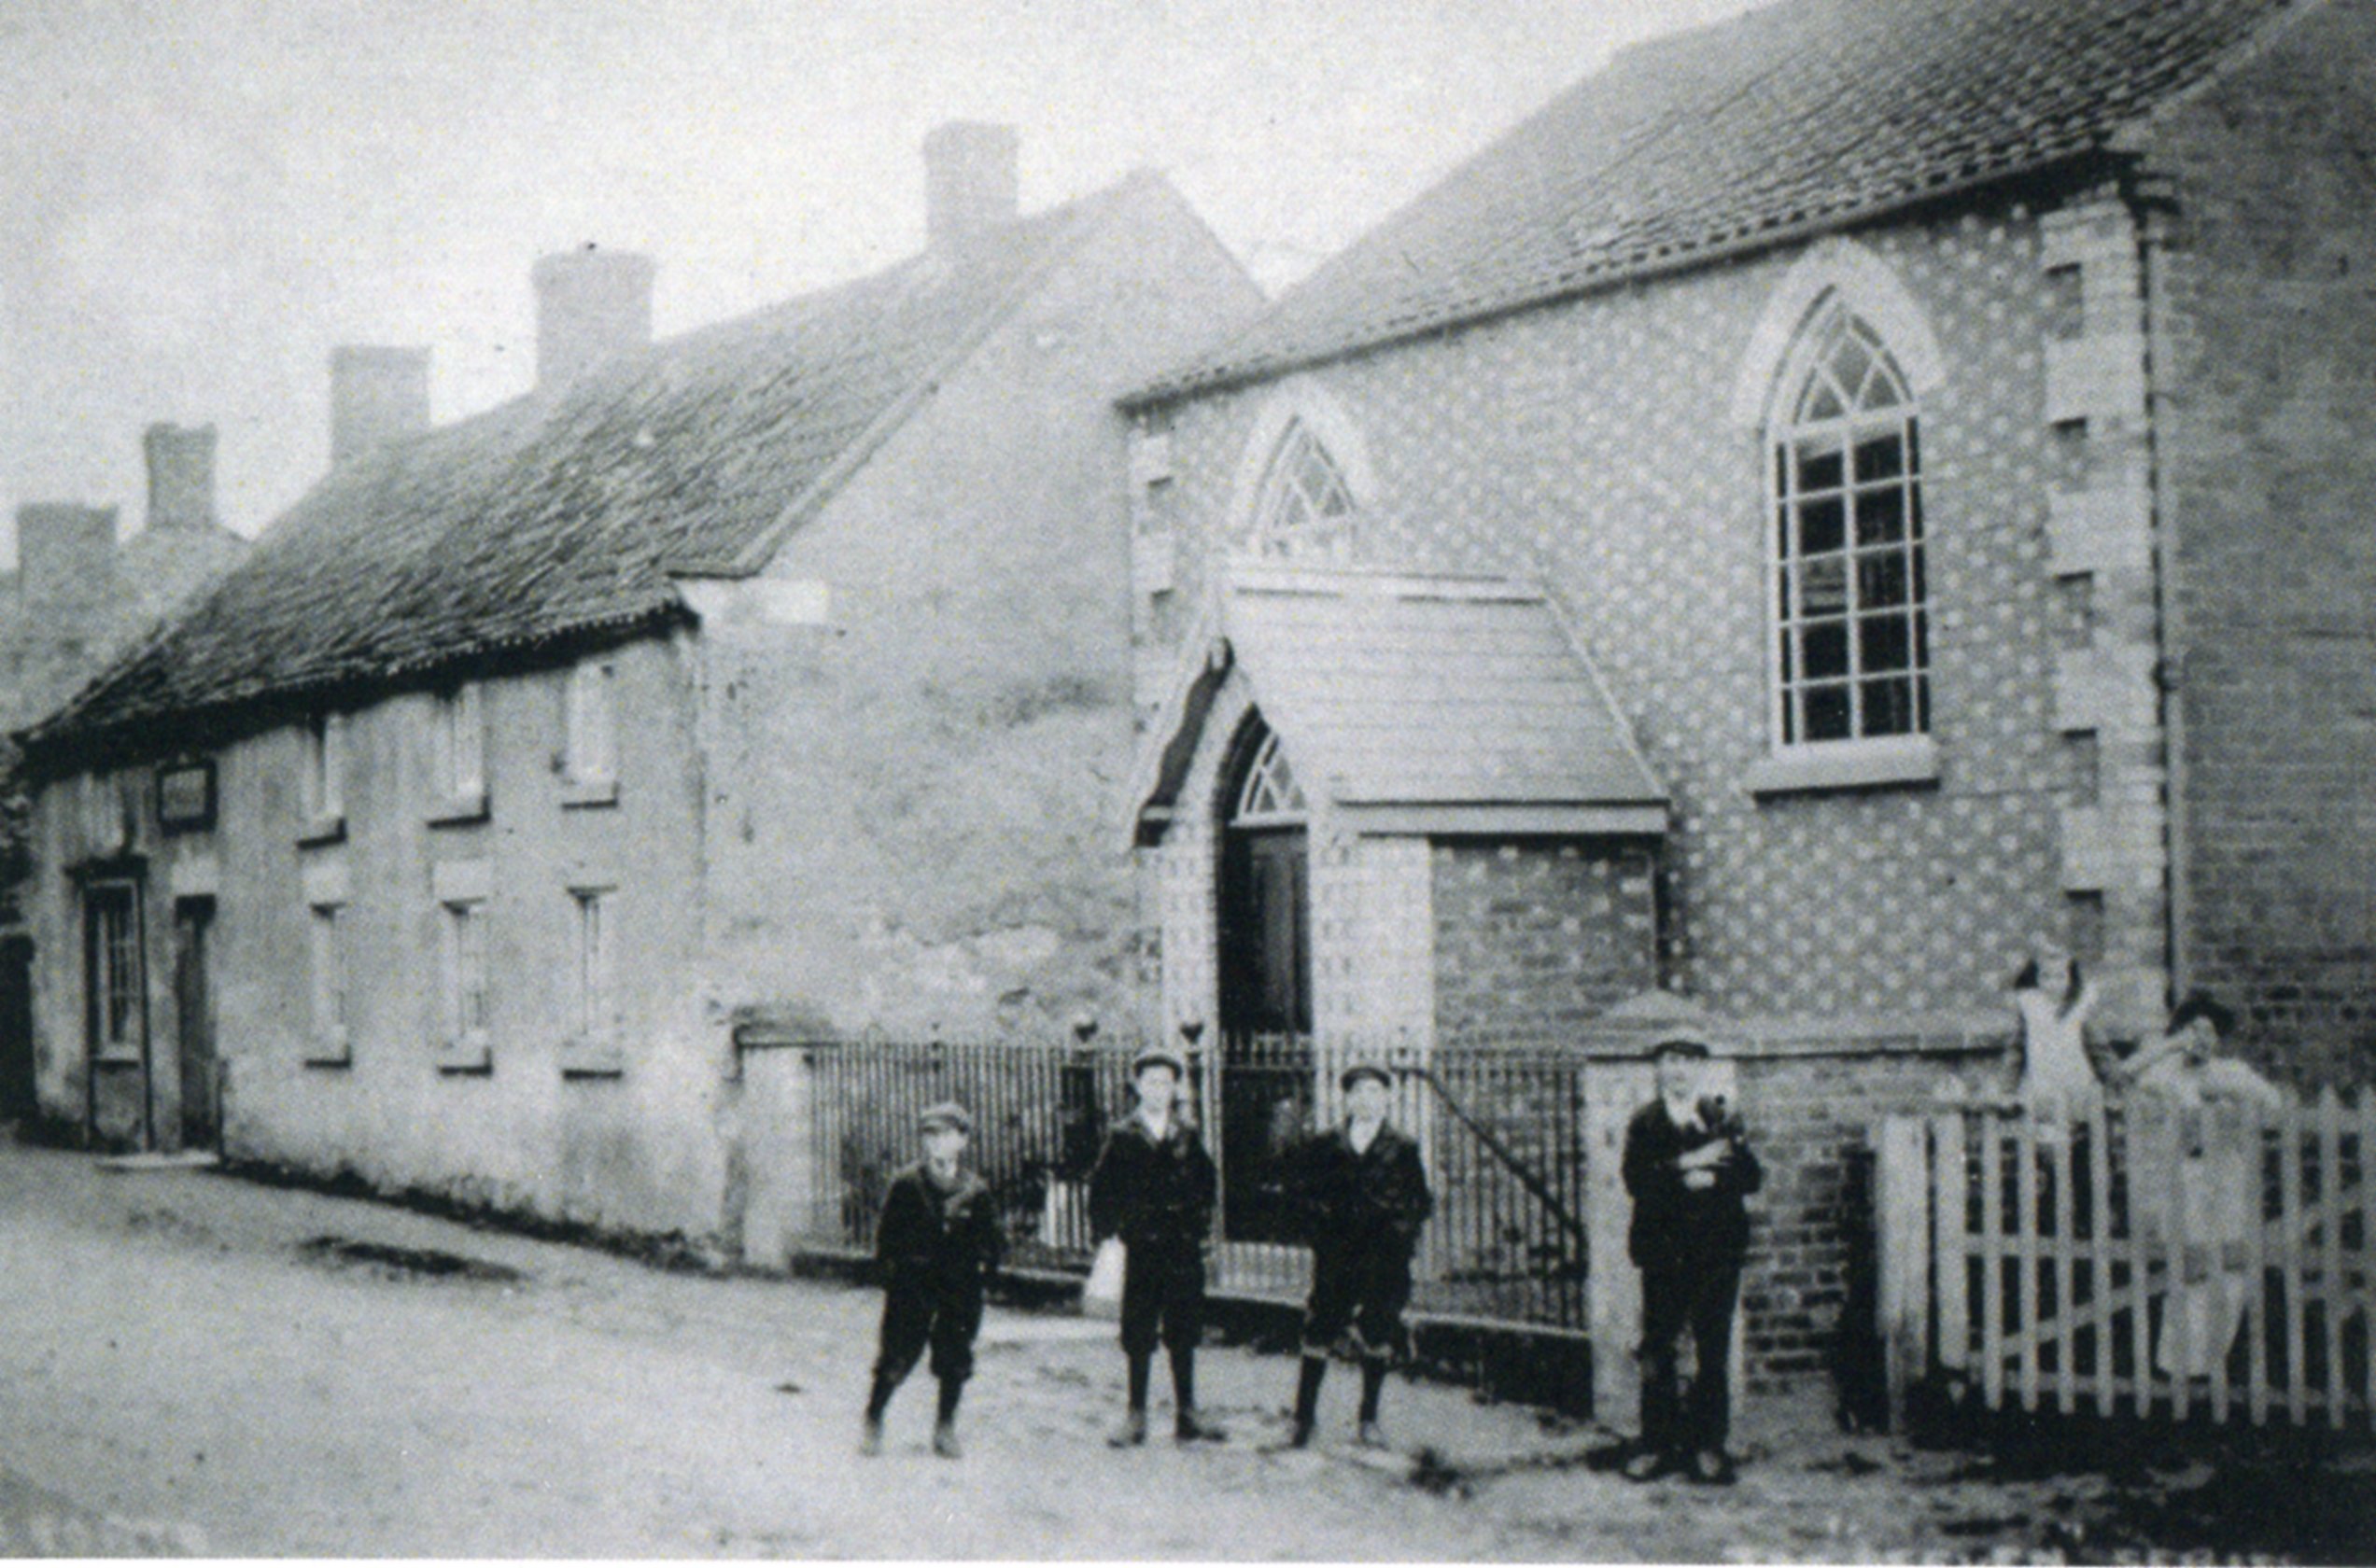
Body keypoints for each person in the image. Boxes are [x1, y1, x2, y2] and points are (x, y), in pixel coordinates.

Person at [2118, 992, 2285, 1379]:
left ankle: (2213, 1361)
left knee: (2229, 1267)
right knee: (2191, 1267)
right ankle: (2177, 1366)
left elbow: (2274, 1104)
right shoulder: (2165, 1071)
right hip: (2186, 1178)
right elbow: (2124, 1076)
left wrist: (2230, 1091)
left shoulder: (2230, 1071)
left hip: (2227, 1176)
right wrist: (2171, 1046)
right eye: (2194, 1030)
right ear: (2180, 1032)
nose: (2202, 1039)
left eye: (2210, 1032)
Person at [1621, 1036, 1762, 1486]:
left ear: (1701, 1070)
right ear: (1657, 1069)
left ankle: (1708, 1446)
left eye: (1688, 1062)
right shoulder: (1645, 1122)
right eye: (1670, 1061)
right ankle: (1656, 1445)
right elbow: (1636, 1180)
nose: (1679, 1071)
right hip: (1664, 1252)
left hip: (1716, 1251)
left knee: (1712, 1349)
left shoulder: (1720, 1117)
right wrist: (1686, 1168)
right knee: (1659, 1347)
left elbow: (1751, 1176)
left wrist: (1713, 1179)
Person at [1280, 1061, 1432, 1449]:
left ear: (1387, 1100)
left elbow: (1420, 1202)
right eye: (1359, 1093)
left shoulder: (1402, 1147)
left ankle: (1368, 1419)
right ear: (1346, 1099)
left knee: (1378, 1331)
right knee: (1319, 1328)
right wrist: (1320, 1233)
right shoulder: (1326, 1144)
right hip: (1337, 1256)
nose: (1367, 1101)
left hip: (1384, 1257)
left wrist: (1400, 1236)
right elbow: (1301, 1195)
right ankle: (1303, 1417)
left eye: (1375, 1093)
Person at [1087, 1046, 1226, 1446]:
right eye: (1151, 1082)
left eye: (1166, 1083)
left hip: (1181, 1247)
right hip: (1142, 1247)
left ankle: (1187, 1413)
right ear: (1138, 1086)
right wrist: (1111, 1233)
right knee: (1139, 1328)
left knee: (1183, 1326)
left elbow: (1207, 1183)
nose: (1159, 1090)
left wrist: (1199, 1226)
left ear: (1175, 1088)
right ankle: (1136, 1415)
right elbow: (1101, 1190)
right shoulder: (1123, 1135)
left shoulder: (1187, 1133)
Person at [862, 1100, 1003, 1459]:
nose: (938, 1143)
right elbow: (887, 1236)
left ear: (963, 1140)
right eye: (931, 1136)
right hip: (914, 1283)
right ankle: (874, 1418)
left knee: (955, 1355)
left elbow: (994, 1240)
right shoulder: (908, 1183)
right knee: (898, 1352)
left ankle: (945, 1427)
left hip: (960, 1286)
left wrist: (985, 1268)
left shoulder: (976, 1190)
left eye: (947, 1135)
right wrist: (892, 1276)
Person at [2011, 937, 2101, 1114]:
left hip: (2076, 1080)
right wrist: (2008, 1086)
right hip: (2042, 1081)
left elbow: (2097, 1046)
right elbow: (2016, 1049)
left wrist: (2113, 1079)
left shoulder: (2080, 1008)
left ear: (2070, 978)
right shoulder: (2030, 1007)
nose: (2053, 984)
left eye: (2059, 977)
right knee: (2045, 1126)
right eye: (2046, 977)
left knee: (2079, 1126)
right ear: (2037, 978)